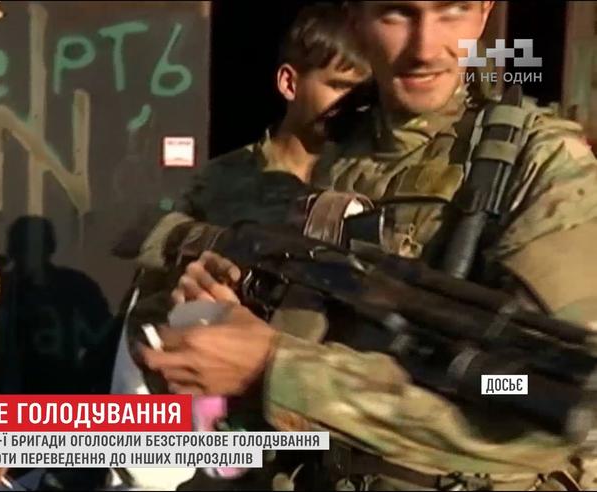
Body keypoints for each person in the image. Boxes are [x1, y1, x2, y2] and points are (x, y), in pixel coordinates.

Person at [137, 1, 597, 490]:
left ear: (484, 12)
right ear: (356, 19)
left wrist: (276, 369)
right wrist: (229, 320)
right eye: (397, 13)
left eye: (452, 10)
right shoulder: (340, 145)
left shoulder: (544, 165)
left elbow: (543, 411)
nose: (424, 48)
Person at [109, 4, 369, 490]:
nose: (352, 104)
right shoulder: (223, 182)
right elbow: (156, 309)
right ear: (289, 83)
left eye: (363, 91)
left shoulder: (368, 182)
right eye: (339, 86)